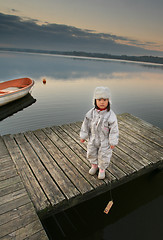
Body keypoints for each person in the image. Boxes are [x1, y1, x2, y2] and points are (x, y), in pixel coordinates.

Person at [80, 86, 119, 180]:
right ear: (95, 100)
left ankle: (102, 169)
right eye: (99, 99)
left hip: (104, 141)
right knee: (91, 152)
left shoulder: (111, 115)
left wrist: (113, 141)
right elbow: (85, 125)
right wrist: (83, 136)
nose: (102, 102)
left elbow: (114, 130)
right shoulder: (90, 113)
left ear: (108, 101)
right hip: (92, 138)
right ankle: (94, 165)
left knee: (104, 154)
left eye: (105, 100)